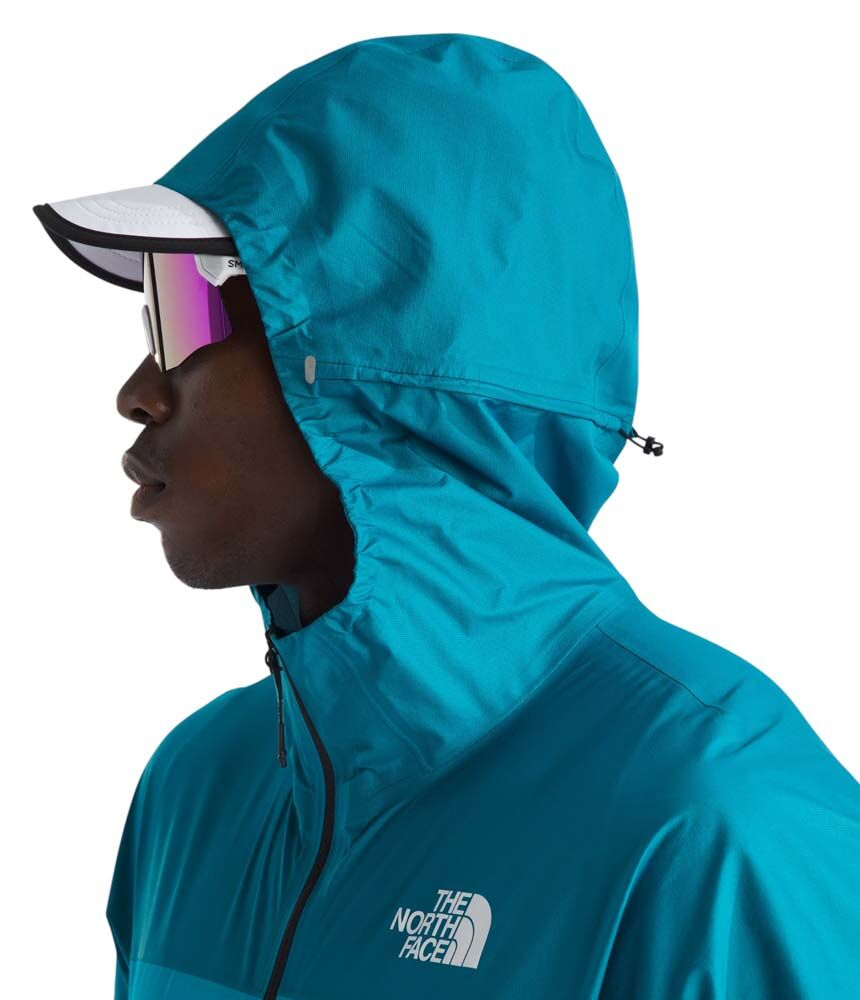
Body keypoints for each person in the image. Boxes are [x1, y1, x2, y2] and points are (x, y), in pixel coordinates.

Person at [33, 31, 860, 1000]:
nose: (138, 391)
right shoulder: (196, 790)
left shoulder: (716, 830)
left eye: (187, 307)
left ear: (379, 361)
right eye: (151, 311)